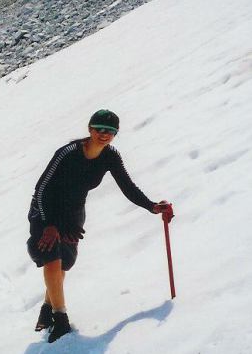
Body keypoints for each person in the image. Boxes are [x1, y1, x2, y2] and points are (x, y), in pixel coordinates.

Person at [26, 109, 174, 343]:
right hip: (46, 210)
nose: (105, 135)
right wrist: (48, 224)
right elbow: (42, 188)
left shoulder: (110, 156)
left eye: (111, 131)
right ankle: (60, 318)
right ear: (90, 129)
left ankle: (47, 308)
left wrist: (152, 206)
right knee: (51, 258)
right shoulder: (67, 153)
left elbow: (127, 186)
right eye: (100, 130)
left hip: (73, 212)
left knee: (65, 263)